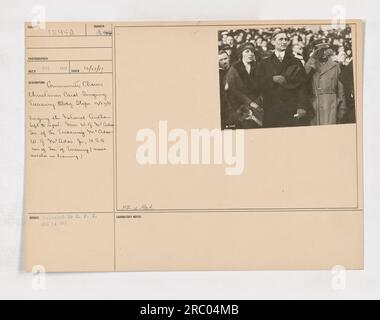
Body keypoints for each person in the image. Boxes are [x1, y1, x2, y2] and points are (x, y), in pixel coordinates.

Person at [256, 29, 309, 128]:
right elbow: (258, 85)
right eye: (280, 39)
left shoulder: (295, 62)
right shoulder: (264, 63)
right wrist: (272, 79)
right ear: (273, 41)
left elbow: (303, 86)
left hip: (291, 108)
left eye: (286, 39)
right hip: (272, 109)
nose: (284, 42)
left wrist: (301, 107)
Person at [304, 38, 347, 125]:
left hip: (331, 104)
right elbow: (303, 77)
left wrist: (342, 106)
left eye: (325, 49)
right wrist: (312, 59)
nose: (323, 53)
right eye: (320, 50)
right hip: (314, 104)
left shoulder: (335, 66)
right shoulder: (311, 65)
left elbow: (341, 89)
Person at [223, 43, 262, 129]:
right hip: (239, 103)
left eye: (252, 51)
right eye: (247, 51)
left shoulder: (257, 66)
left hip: (257, 101)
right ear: (241, 54)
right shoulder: (234, 68)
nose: (250, 54)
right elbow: (234, 90)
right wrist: (250, 103)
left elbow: (262, 86)